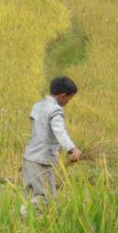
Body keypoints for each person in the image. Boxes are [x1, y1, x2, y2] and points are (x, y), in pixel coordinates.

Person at [21, 76, 82, 211]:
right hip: (41, 160)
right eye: (69, 99)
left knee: (32, 195)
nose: (68, 102)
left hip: (29, 157)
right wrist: (72, 149)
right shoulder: (55, 110)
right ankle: (25, 218)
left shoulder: (37, 105)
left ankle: (28, 226)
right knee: (46, 198)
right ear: (63, 96)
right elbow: (59, 131)